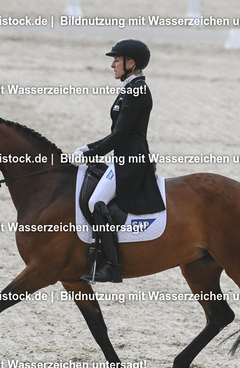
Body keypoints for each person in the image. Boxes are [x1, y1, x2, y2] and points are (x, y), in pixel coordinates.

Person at [75, 38, 165, 283]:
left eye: (116, 60)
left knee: (96, 202)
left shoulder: (136, 90)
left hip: (131, 162)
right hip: (121, 158)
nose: (112, 65)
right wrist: (89, 147)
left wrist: (90, 154)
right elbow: (117, 133)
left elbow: (121, 135)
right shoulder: (130, 88)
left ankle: (113, 266)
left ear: (131, 62)